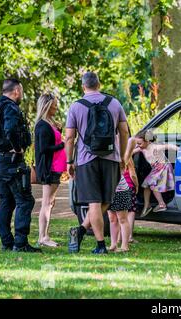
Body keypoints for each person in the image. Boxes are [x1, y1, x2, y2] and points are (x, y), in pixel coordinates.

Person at [66, 71, 129, 254]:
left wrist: (70, 161)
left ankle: (98, 244)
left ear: (83, 86)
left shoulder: (76, 106)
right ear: (99, 84)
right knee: (106, 200)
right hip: (111, 158)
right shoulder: (114, 103)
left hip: (86, 160)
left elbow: (69, 137)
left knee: (95, 202)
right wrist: (123, 156)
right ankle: (83, 233)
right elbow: (124, 131)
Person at [0, 79, 40, 252]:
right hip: (12, 161)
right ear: (17, 91)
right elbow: (11, 129)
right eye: (22, 91)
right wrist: (16, 149)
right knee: (25, 200)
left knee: (6, 201)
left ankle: (6, 242)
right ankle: (20, 243)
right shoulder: (11, 108)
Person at [34, 93, 66, 247]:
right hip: (49, 169)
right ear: (47, 105)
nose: (56, 107)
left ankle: (45, 235)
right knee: (46, 203)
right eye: (54, 104)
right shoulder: (42, 125)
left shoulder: (49, 123)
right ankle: (43, 237)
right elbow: (43, 149)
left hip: (55, 168)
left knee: (50, 202)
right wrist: (62, 145)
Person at [129, 130, 178, 216]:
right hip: (156, 168)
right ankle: (147, 205)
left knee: (152, 185)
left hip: (163, 167)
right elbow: (132, 152)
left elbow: (169, 146)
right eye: (137, 143)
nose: (138, 145)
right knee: (146, 185)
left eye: (139, 143)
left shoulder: (155, 147)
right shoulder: (142, 148)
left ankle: (162, 204)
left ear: (147, 141)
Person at [107, 159, 138, 252]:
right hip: (109, 191)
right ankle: (113, 244)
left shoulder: (122, 156)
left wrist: (136, 185)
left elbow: (131, 173)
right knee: (112, 219)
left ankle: (125, 245)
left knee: (122, 219)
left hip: (121, 190)